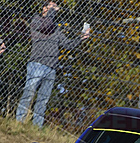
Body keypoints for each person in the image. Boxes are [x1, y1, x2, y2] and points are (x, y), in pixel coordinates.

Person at [15, 1, 90, 129]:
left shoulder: (55, 27)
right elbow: (46, 25)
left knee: (43, 101)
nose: (54, 9)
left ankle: (36, 127)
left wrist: (81, 38)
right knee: (29, 94)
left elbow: (67, 44)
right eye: (51, 6)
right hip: (37, 64)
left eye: (55, 7)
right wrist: (52, 12)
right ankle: (19, 122)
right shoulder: (37, 20)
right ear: (44, 8)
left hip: (51, 68)